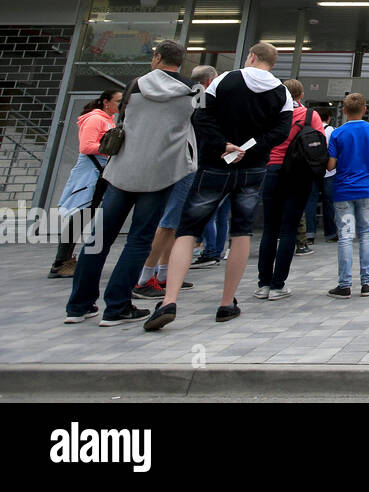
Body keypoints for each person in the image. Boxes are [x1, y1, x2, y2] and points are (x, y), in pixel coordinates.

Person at [143, 42, 293, 331]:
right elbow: (281, 132)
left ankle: (169, 300)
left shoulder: (225, 80)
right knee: (241, 231)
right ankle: (226, 302)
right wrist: (253, 147)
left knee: (187, 230)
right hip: (253, 168)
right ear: (273, 63)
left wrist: (221, 144)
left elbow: (202, 116)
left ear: (251, 56)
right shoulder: (281, 92)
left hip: (215, 164)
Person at [64, 41, 200, 325]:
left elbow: (123, 121)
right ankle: (116, 307)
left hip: (123, 170)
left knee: (98, 239)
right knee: (139, 240)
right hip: (161, 172)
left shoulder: (135, 85)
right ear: (180, 62)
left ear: (158, 58)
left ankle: (79, 306)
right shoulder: (192, 90)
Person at [133, 64, 216, 298]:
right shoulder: (197, 93)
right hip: (184, 162)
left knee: (171, 222)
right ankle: (144, 278)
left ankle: (162, 274)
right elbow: (204, 125)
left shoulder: (145, 89)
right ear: (208, 82)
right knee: (169, 222)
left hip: (158, 160)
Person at [254, 79, 326, 301]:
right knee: (288, 230)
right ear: (301, 94)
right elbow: (320, 144)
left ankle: (263, 284)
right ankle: (278, 285)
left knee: (269, 230)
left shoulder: (269, 113)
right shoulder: (309, 116)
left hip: (270, 171)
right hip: (298, 174)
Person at [49, 89, 120, 278]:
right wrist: (113, 146)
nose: (120, 105)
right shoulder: (96, 119)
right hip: (91, 173)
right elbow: (86, 146)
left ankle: (64, 260)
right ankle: (60, 262)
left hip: (99, 172)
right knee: (80, 215)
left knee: (84, 215)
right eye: (118, 101)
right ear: (106, 102)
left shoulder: (108, 119)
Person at [324, 92, 369, 298]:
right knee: (366, 234)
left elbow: (331, 164)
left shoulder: (338, 134)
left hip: (343, 190)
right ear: (365, 109)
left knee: (345, 236)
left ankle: (344, 284)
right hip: (365, 189)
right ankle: (367, 282)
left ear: (343, 111)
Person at [297, 106, 336, 251]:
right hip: (329, 172)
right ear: (329, 118)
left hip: (311, 171)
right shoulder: (332, 131)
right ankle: (331, 233)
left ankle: (310, 233)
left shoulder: (307, 131)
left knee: (310, 202)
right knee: (329, 202)